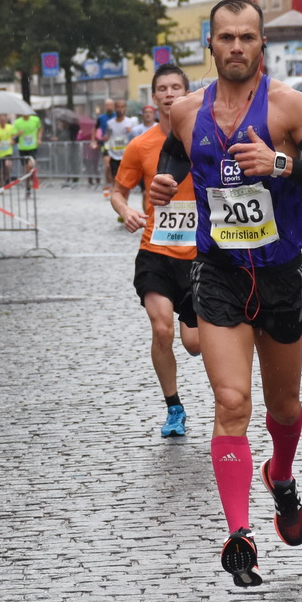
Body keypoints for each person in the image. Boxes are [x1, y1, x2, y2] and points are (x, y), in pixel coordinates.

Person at [147, 0, 302, 587]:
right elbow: (173, 158)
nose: (236, 46)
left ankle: (281, 477)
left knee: (283, 408)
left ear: (262, 45)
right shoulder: (185, 112)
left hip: (282, 274)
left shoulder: (289, 106)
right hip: (220, 276)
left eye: (247, 37)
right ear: (209, 46)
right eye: (225, 37)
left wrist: (282, 165)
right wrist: (165, 183)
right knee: (232, 403)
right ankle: (240, 535)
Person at [111, 66, 202, 437]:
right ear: (153, 98)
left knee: (195, 344)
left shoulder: (204, 141)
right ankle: (174, 407)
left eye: (176, 87)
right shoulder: (140, 145)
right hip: (156, 252)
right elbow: (119, 191)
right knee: (162, 329)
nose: (169, 94)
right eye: (162, 89)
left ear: (187, 93)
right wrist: (126, 210)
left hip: (199, 257)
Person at [13, 107, 43, 178]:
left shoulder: (35, 119)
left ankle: (31, 175)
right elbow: (13, 134)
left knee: (30, 164)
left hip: (32, 146)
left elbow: (40, 128)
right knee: (25, 168)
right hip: (22, 148)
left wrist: (39, 138)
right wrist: (18, 133)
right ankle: (28, 184)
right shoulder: (17, 122)